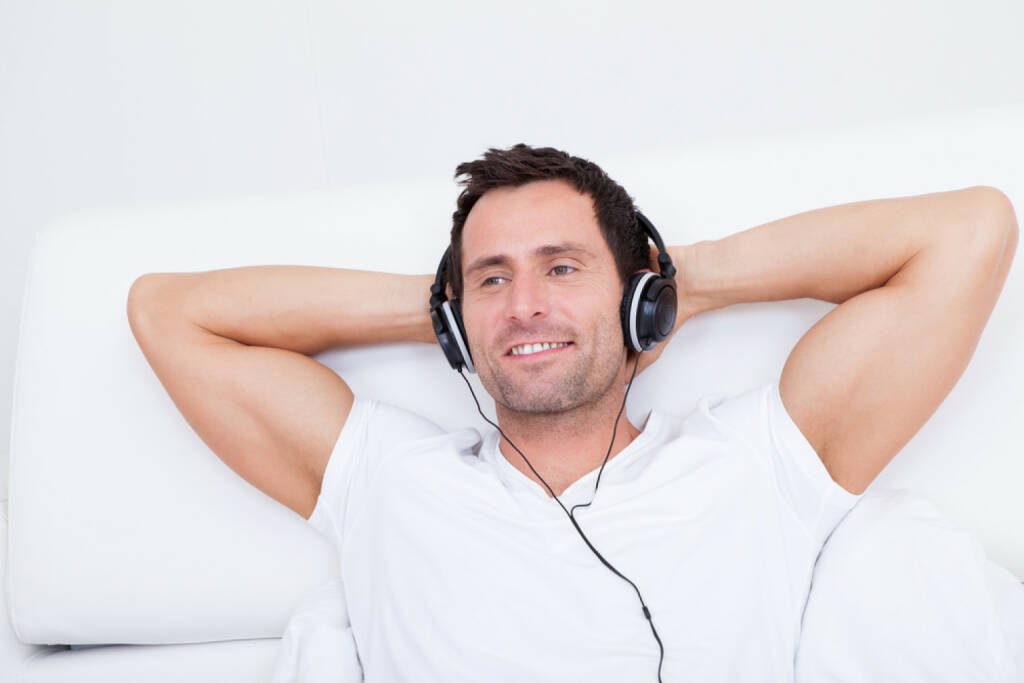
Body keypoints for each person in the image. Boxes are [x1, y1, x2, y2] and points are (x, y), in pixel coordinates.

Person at [126, 144, 1018, 682]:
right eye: (492, 277)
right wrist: (448, 306)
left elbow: (970, 231)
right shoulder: (384, 479)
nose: (524, 304)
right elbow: (169, 313)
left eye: (561, 267)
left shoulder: (758, 460)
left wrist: (678, 284)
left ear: (638, 305)